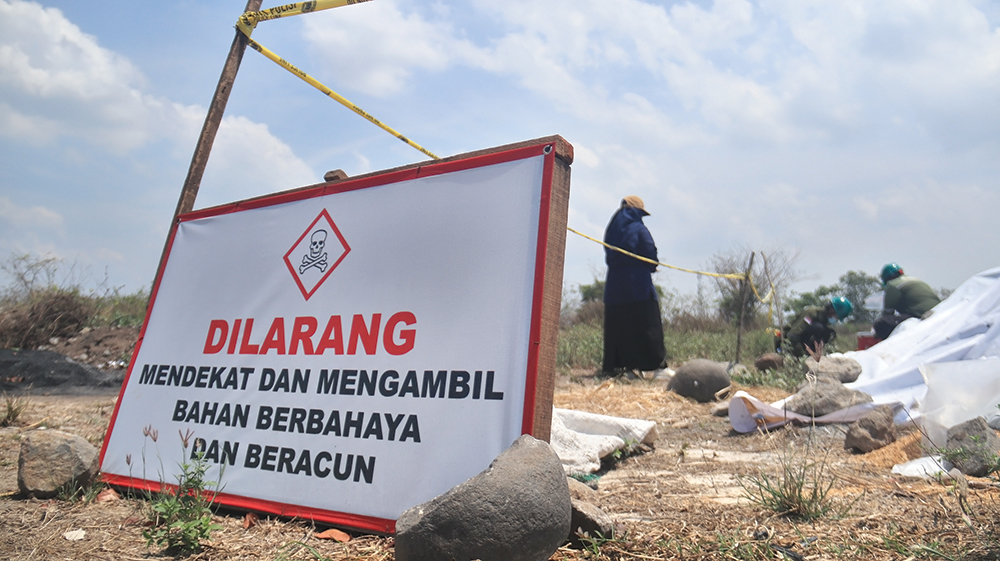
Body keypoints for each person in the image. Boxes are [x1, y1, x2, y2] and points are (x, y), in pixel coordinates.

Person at [601, 196, 667, 376]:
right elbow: (649, 254)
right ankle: (655, 366)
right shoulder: (639, 229)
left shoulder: (611, 229)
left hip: (614, 287)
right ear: (637, 211)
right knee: (647, 325)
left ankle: (621, 367)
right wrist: (652, 266)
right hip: (638, 286)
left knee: (619, 328)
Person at [872, 263, 941, 340]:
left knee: (881, 324)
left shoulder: (892, 285)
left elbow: (887, 313)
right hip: (938, 311)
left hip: (919, 315)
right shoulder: (916, 280)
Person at [777, 296, 853, 357]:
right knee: (818, 328)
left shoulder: (825, 322)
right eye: (836, 316)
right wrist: (802, 356)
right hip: (786, 342)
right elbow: (793, 335)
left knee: (829, 333)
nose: (835, 319)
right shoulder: (811, 313)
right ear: (831, 310)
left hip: (804, 345)